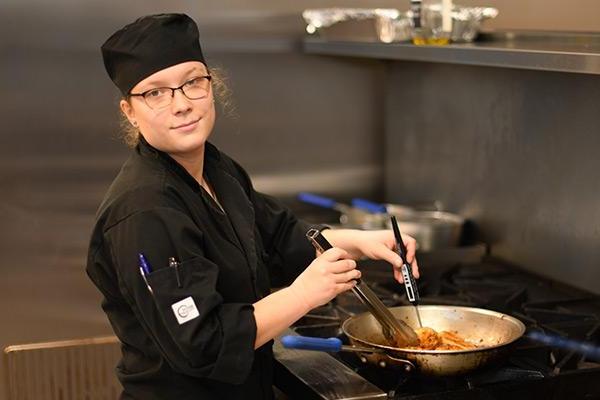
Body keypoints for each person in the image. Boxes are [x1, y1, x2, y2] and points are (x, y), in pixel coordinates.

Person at [86, 13, 419, 400]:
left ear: (211, 86)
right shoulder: (145, 210)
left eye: (192, 81)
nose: (180, 105)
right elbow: (202, 343)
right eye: (156, 92)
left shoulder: (216, 168)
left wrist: (360, 241)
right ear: (130, 110)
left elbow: (276, 236)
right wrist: (303, 295)